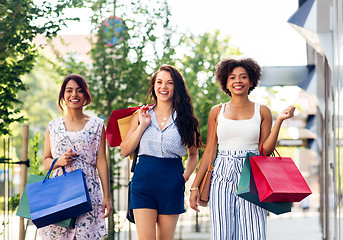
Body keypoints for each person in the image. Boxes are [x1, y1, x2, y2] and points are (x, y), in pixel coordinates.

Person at [189, 58, 295, 240]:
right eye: (232, 77)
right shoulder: (217, 111)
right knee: (222, 233)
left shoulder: (262, 111)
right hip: (222, 173)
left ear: (251, 81)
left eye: (243, 77)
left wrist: (279, 121)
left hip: (252, 173)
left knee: (253, 232)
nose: (238, 81)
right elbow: (209, 152)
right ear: (226, 83)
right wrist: (194, 187)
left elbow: (265, 152)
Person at [120, 65, 202, 240]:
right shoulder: (141, 115)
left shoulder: (186, 120)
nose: (163, 87)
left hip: (172, 183)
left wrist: (184, 177)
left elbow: (193, 154)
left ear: (176, 87)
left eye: (169, 83)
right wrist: (142, 126)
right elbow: (125, 150)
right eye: (159, 82)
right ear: (154, 86)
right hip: (143, 183)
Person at [40, 74, 112, 239]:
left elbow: (101, 160)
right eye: (69, 91)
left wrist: (106, 196)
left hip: (89, 192)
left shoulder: (97, 125)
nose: (74, 95)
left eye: (79, 91)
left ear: (86, 95)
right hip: (60, 192)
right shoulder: (53, 126)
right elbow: (46, 161)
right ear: (63, 96)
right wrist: (58, 161)